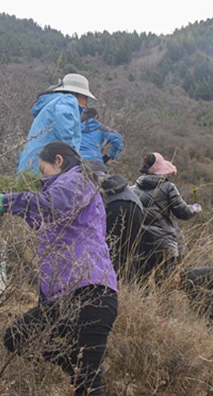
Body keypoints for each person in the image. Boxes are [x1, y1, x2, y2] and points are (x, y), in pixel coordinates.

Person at [0, 141, 118, 396]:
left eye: (43, 169)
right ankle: (72, 362)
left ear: (58, 160)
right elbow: (43, 216)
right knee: (16, 337)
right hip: (71, 295)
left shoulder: (77, 180)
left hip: (89, 293)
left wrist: (8, 201)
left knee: (89, 383)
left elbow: (48, 204)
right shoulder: (76, 190)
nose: (42, 175)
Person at [131, 152, 201, 280]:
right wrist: (194, 208)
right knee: (166, 282)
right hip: (165, 244)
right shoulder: (168, 187)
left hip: (140, 246)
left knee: (142, 284)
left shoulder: (132, 190)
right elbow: (183, 212)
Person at [17, 73, 96, 175]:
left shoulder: (52, 104)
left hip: (29, 167)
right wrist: (73, 161)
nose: (86, 103)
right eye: (85, 97)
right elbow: (66, 135)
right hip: (45, 168)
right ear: (75, 93)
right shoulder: (68, 101)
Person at [100, 174, 143, 283]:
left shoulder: (82, 179)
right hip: (135, 206)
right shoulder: (109, 177)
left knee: (109, 250)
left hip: (110, 206)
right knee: (131, 252)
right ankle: (128, 284)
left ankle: (109, 283)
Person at [79, 107, 124, 181]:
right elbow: (117, 140)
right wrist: (112, 156)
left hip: (77, 163)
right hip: (96, 164)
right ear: (96, 116)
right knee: (98, 187)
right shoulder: (102, 128)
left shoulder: (75, 129)